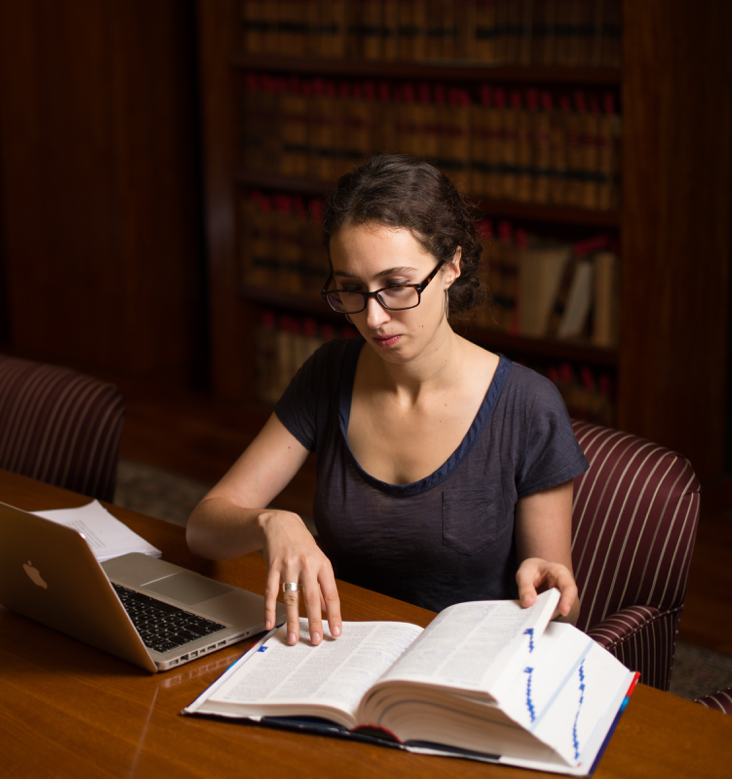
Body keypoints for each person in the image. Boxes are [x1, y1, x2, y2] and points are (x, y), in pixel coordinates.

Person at [185, 153, 588, 647]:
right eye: (352, 290)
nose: (373, 318)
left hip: (469, 662)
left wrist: (547, 587)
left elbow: (559, 612)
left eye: (396, 285)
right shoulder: (329, 373)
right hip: (340, 650)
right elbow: (203, 528)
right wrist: (271, 522)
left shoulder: (527, 405)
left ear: (451, 266)